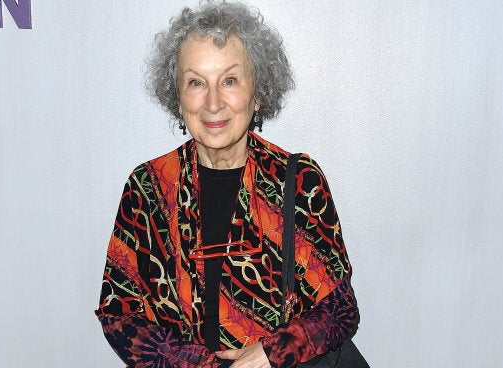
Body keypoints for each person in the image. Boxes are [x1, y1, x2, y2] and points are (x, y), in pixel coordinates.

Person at [95, 2, 359, 367]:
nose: (213, 102)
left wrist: (268, 354)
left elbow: (339, 309)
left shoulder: (298, 180)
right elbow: (119, 315)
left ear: (259, 91)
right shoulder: (148, 188)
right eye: (196, 82)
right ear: (178, 95)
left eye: (230, 80)